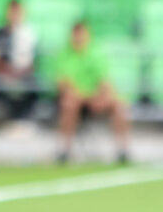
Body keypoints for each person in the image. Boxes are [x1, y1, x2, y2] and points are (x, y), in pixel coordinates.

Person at [53, 22, 131, 164]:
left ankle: (122, 150)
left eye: (82, 34)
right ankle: (64, 150)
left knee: (119, 104)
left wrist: (101, 97)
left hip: (94, 98)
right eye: (76, 34)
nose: (79, 38)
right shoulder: (65, 54)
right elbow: (63, 84)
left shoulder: (96, 53)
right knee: (69, 103)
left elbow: (105, 81)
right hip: (77, 99)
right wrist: (84, 97)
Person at [0, 0, 39, 123]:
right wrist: (6, 72)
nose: (14, 15)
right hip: (3, 74)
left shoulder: (29, 34)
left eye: (17, 12)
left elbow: (33, 62)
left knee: (33, 83)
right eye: (12, 11)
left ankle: (23, 119)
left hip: (23, 74)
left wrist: (18, 74)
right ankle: (10, 119)